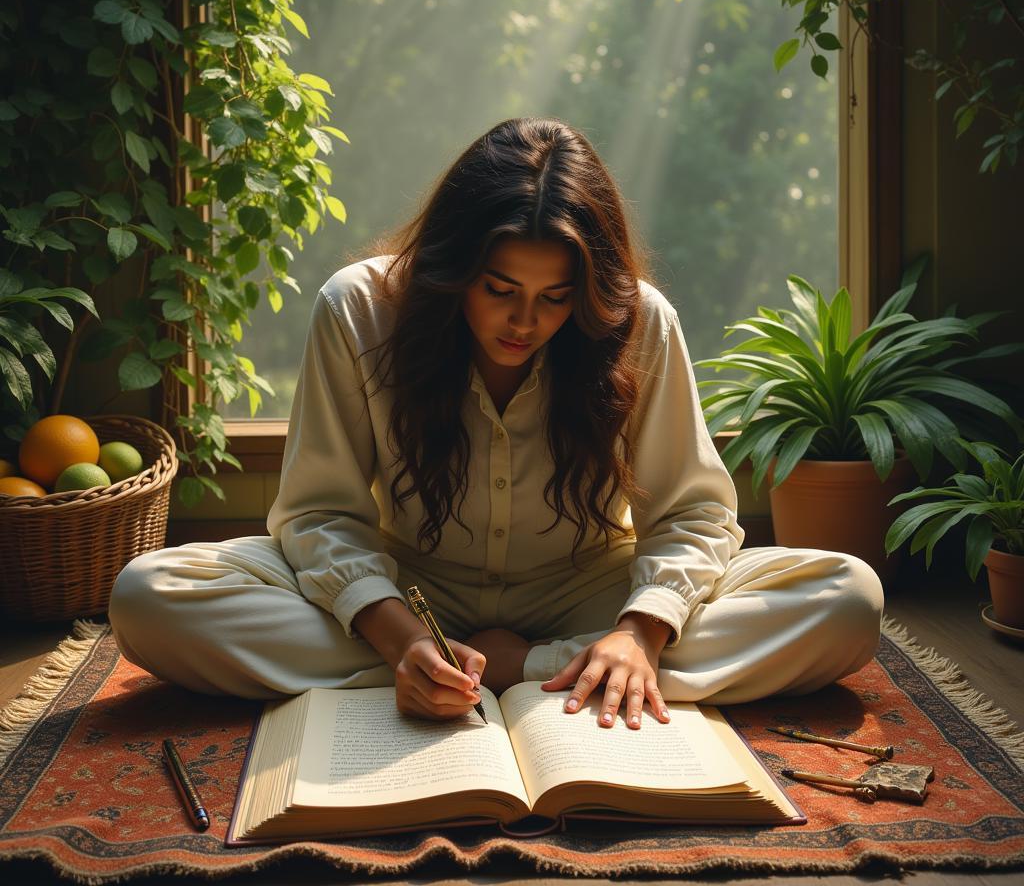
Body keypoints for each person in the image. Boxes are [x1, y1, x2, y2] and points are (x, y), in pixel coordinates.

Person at [109, 116, 884, 731]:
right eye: (499, 287)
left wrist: (639, 631)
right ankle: (488, 667)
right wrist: (404, 639)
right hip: (408, 590)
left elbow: (690, 514)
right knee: (148, 594)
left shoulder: (638, 321)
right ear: (452, 269)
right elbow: (318, 515)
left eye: (555, 298)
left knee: (848, 598)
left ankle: (563, 665)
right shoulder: (360, 309)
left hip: (588, 591)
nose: (525, 322)